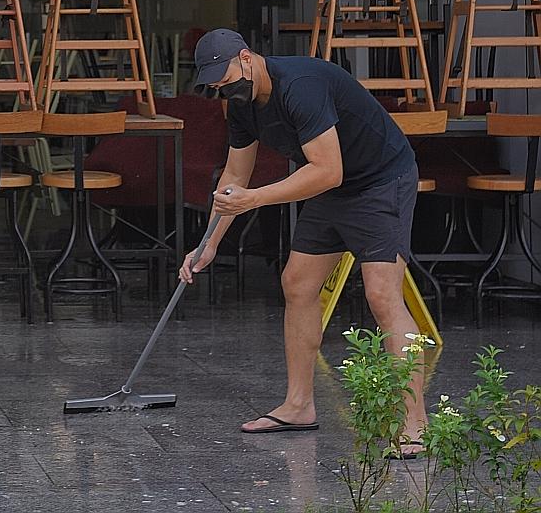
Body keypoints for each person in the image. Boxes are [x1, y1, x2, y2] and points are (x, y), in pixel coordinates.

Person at [178, 28, 427, 456]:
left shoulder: (301, 86)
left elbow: (327, 170)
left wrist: (257, 198)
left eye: (226, 76)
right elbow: (236, 177)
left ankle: (416, 425)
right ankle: (298, 405)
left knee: (383, 295)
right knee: (297, 283)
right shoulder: (241, 104)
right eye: (215, 84)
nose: (224, 87)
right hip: (332, 188)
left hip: (380, 180)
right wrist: (210, 243)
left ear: (247, 57)